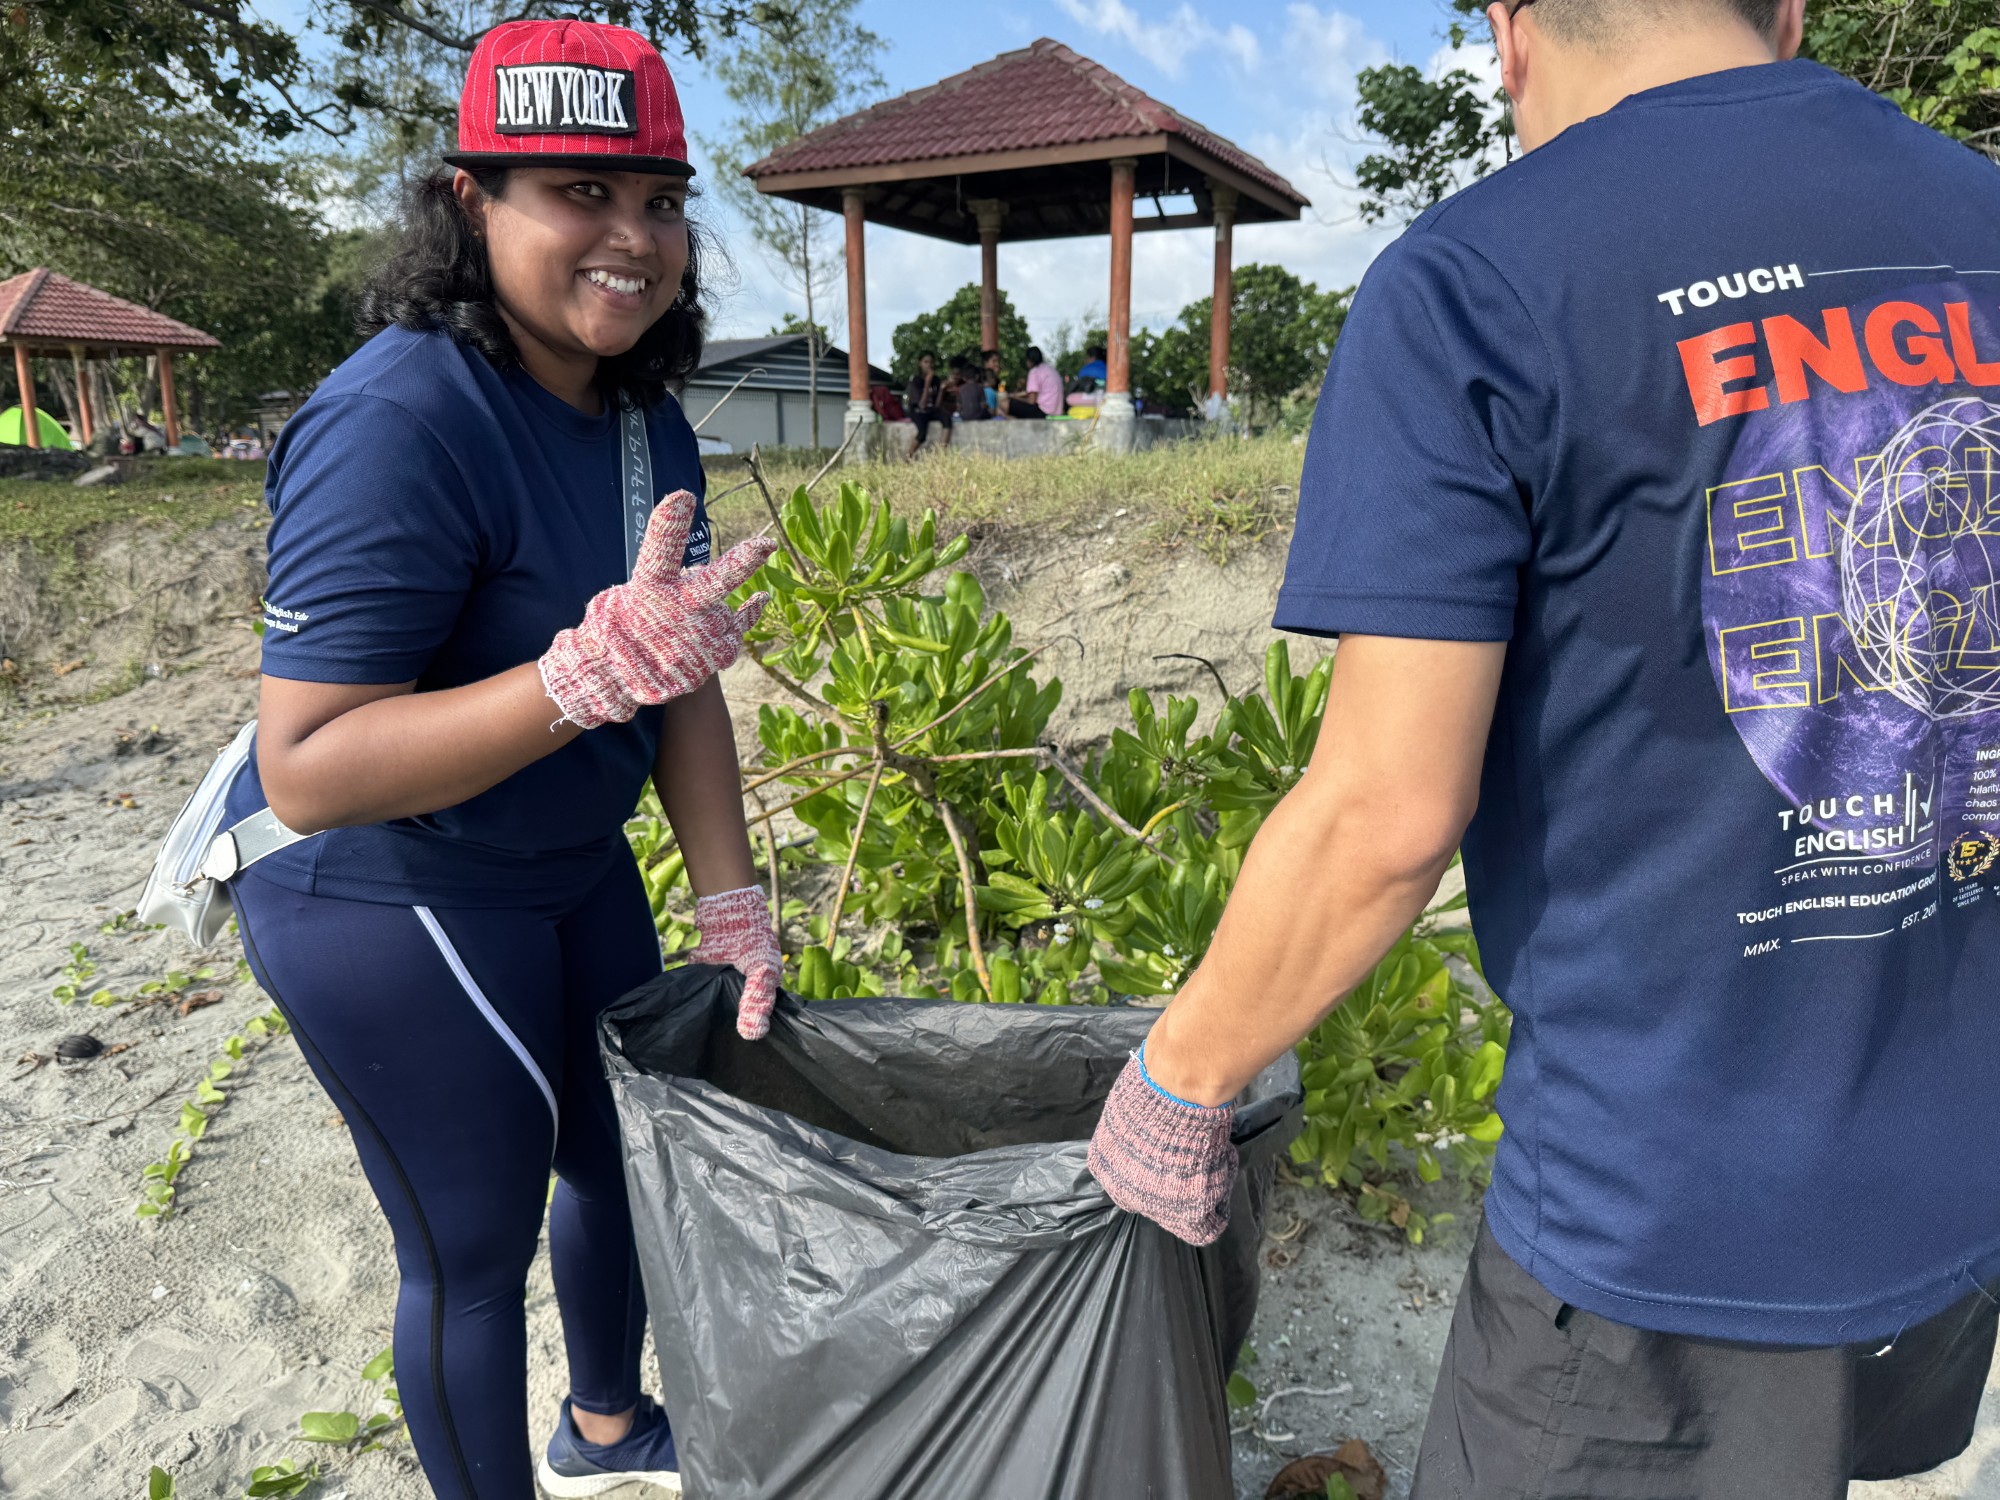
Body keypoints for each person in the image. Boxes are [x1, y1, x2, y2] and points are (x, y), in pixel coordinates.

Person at [1086, 1, 2000, 1496]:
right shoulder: (1978, 212)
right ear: (1786, 10)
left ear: (1510, 30)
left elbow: (1385, 813)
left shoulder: (1477, 282)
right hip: (1957, 1184)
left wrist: (1179, 1081)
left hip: (1662, 1238)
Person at [219, 20, 783, 1500]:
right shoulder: (398, 419)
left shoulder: (644, 417)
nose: (633, 238)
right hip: (385, 882)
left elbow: (678, 677)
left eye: (659, 200)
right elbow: (308, 764)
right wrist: (569, 680)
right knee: (471, 1248)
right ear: (471, 203)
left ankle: (604, 1430)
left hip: (565, 860)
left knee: (624, 1154)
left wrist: (731, 906)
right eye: (579, 193)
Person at [904, 349, 950, 449]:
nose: (929, 365)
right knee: (922, 434)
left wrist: (941, 390)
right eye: (926, 362)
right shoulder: (915, 380)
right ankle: (908, 455)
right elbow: (921, 405)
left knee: (947, 419)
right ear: (920, 363)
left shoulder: (936, 380)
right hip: (918, 411)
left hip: (930, 410)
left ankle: (942, 452)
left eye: (930, 362)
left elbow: (937, 405)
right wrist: (927, 383)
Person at [1022, 346, 1061, 417]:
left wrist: (1013, 397)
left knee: (1007, 404)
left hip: (1044, 412)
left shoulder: (1034, 371)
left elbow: (1031, 401)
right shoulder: (1050, 369)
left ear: (1029, 360)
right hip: (1057, 411)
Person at [950, 352, 990, 423]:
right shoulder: (979, 387)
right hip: (977, 417)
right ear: (977, 376)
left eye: (958, 374)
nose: (955, 377)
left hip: (963, 417)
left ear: (963, 377)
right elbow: (983, 404)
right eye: (954, 374)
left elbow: (958, 407)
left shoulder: (961, 388)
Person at [1067, 344, 1107, 409]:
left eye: (1086, 357)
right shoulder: (1108, 367)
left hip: (1094, 399)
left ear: (1092, 358)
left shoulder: (1086, 369)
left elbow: (1079, 387)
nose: (1085, 360)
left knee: (1070, 398)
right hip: (1108, 397)